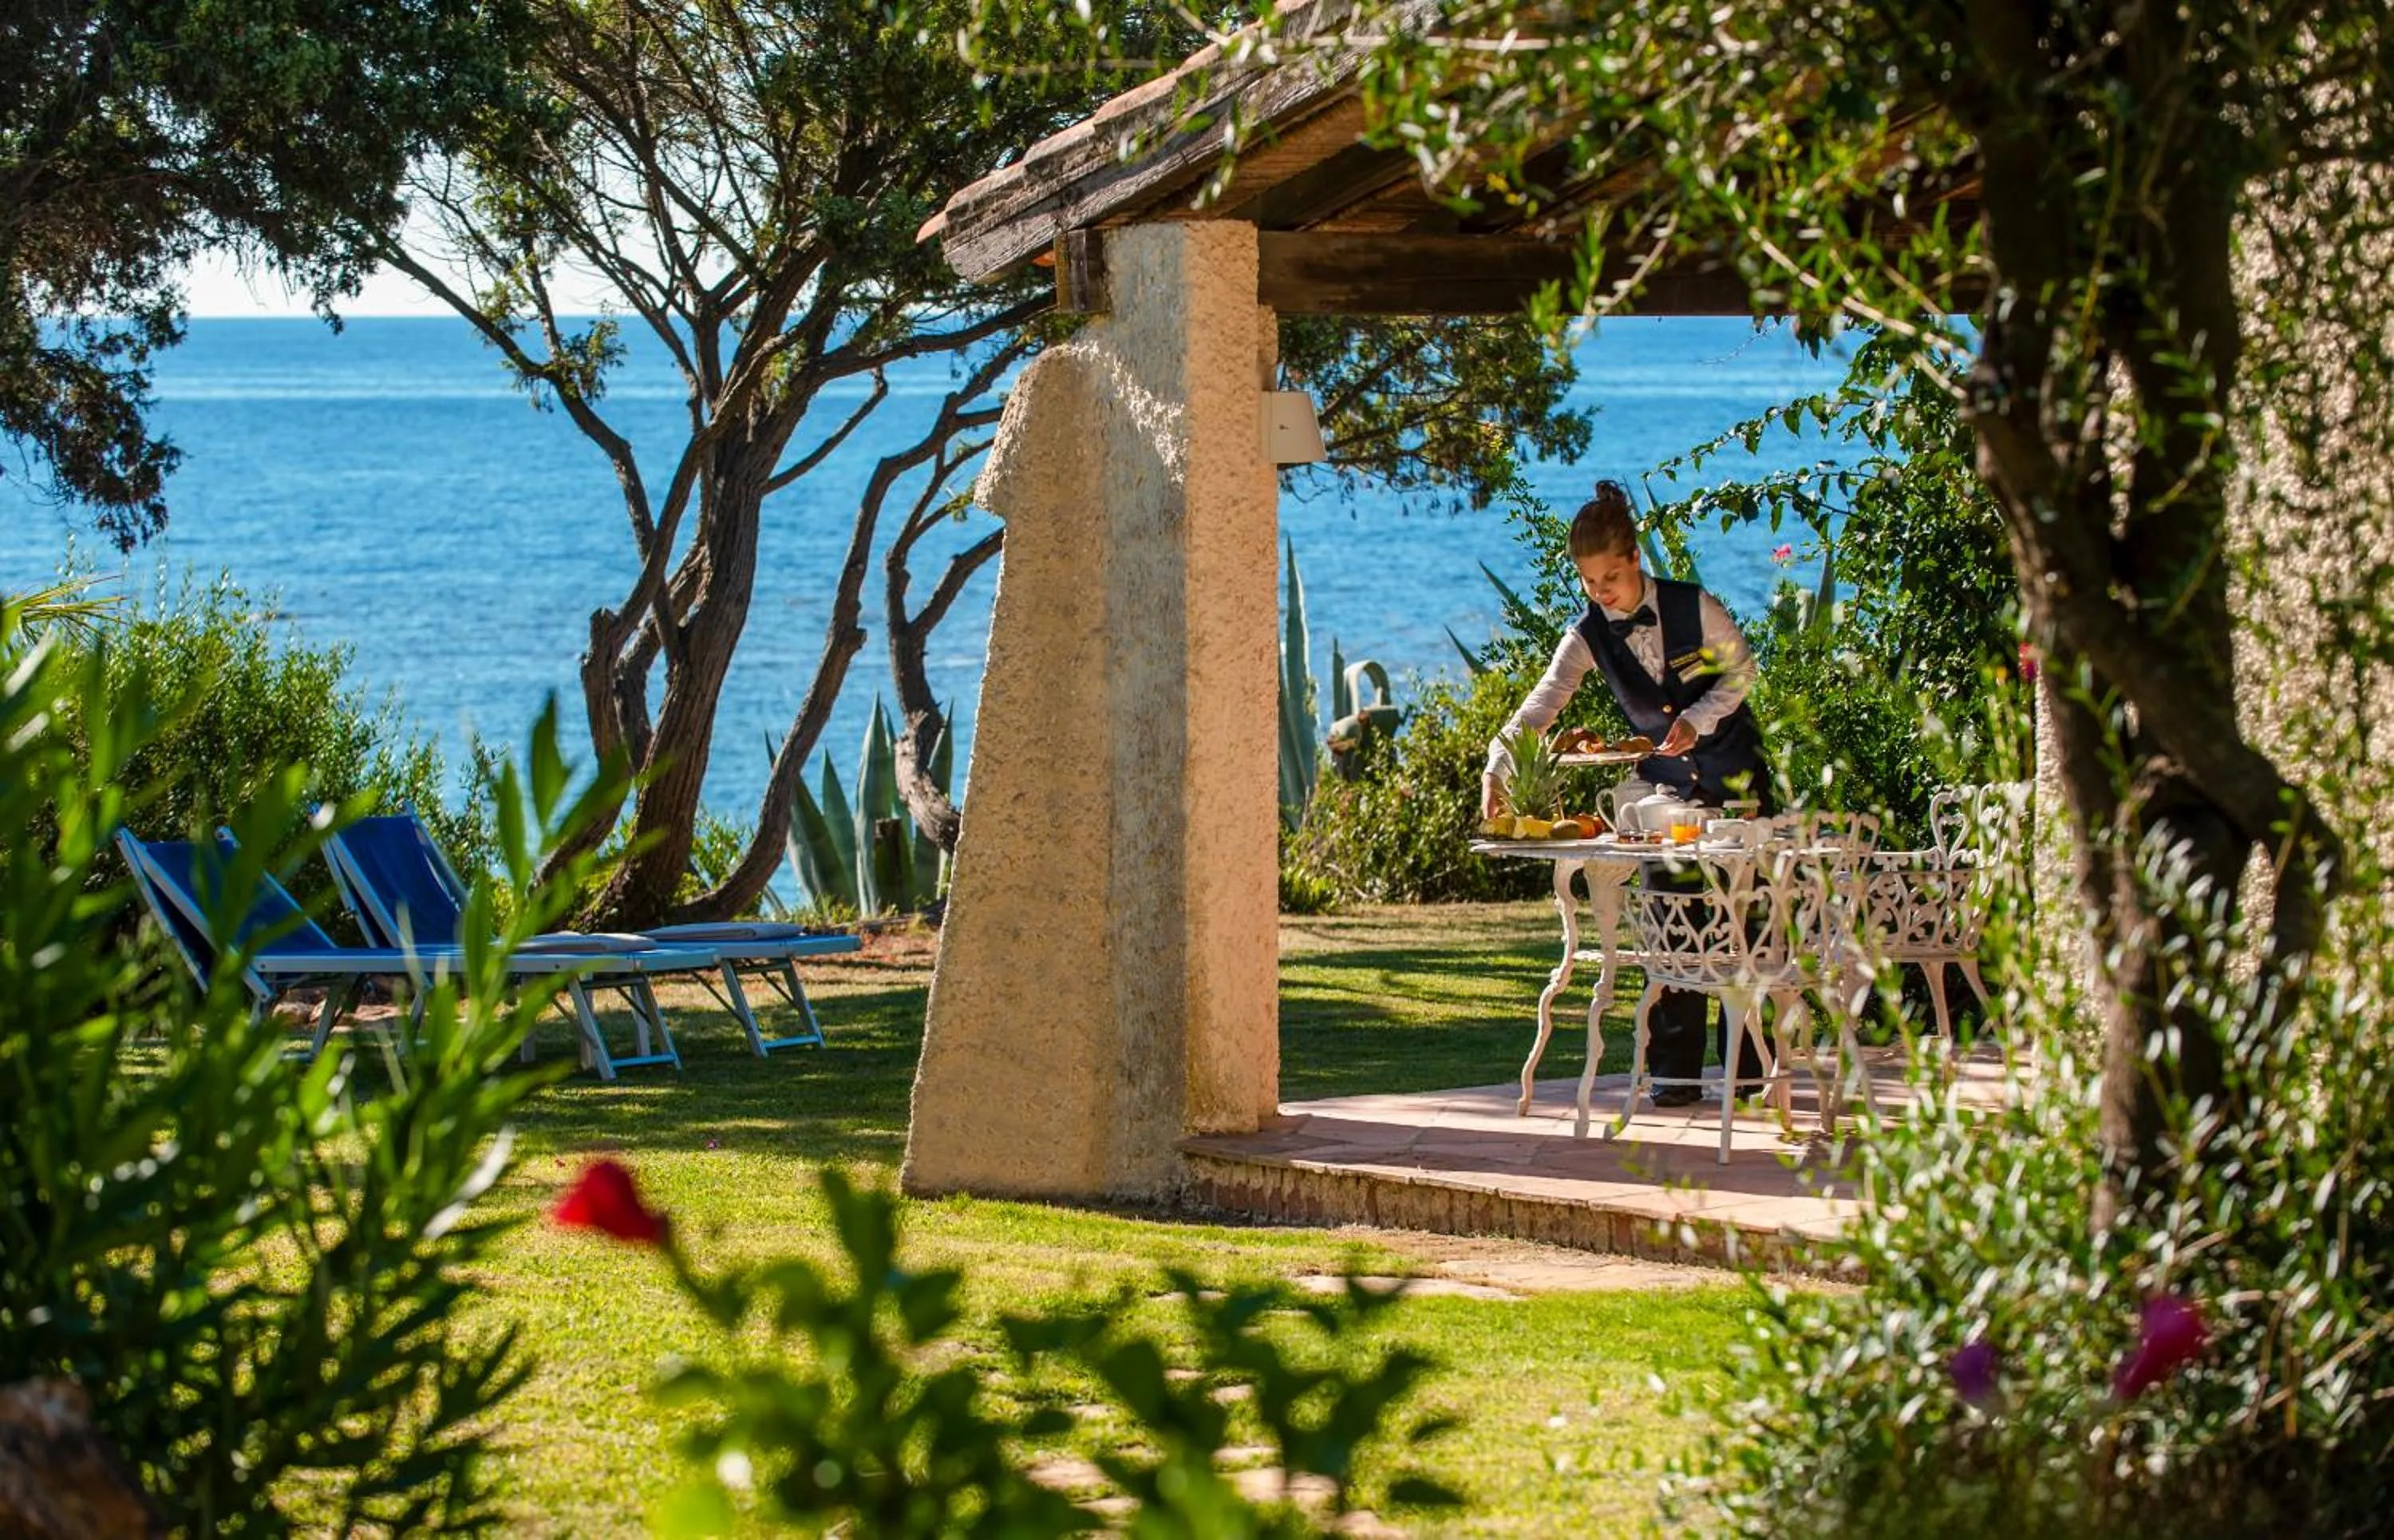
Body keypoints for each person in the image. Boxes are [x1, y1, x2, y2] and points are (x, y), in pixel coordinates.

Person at [1481, 480, 1774, 1107]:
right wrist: (1495, 767)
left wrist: (1697, 720)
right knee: (1674, 928)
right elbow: (1540, 708)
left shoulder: (1697, 607)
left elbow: (1742, 672)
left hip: (1738, 787)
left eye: (1609, 577)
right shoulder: (1587, 634)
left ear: (1635, 558)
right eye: (1589, 583)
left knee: (1742, 931)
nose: (1601, 593)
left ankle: (1750, 1075)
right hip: (1670, 805)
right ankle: (1675, 1077)